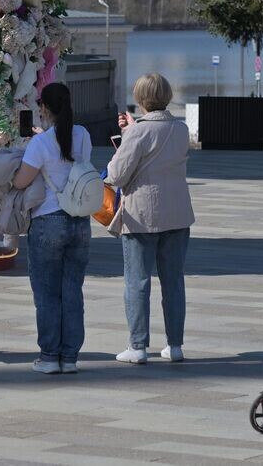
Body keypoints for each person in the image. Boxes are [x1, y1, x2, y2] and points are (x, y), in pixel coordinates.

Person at [106, 72, 194, 365]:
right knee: (173, 282)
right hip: (177, 212)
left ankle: (138, 346)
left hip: (141, 214)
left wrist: (129, 135)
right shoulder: (180, 128)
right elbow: (158, 145)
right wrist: (133, 130)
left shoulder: (138, 132)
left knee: (137, 282)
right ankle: (175, 345)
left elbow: (116, 174)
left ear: (140, 98)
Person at [13, 82, 93, 374]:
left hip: (48, 220)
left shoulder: (40, 144)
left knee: (47, 293)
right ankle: (69, 357)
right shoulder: (82, 134)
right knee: (72, 290)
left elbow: (21, 181)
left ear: (44, 108)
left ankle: (49, 357)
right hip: (79, 220)